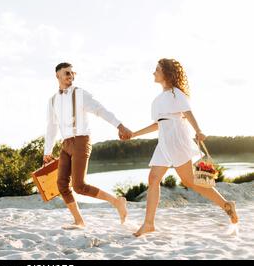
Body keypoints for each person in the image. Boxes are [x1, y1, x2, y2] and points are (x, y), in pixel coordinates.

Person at [128, 58, 239, 237]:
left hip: (177, 140)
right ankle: (148, 224)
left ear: (167, 73)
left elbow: (188, 113)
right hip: (163, 141)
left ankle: (226, 204)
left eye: (157, 69)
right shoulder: (157, 100)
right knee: (153, 178)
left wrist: (198, 130)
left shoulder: (175, 93)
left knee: (189, 181)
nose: (153, 72)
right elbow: (157, 124)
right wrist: (134, 134)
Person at [43, 62, 131, 230]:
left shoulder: (80, 94)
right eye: (67, 73)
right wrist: (47, 151)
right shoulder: (53, 100)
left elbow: (100, 110)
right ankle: (79, 221)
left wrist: (119, 126)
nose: (70, 75)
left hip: (81, 141)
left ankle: (117, 202)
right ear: (58, 76)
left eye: (72, 73)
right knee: (62, 184)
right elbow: (51, 126)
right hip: (66, 144)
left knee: (79, 186)